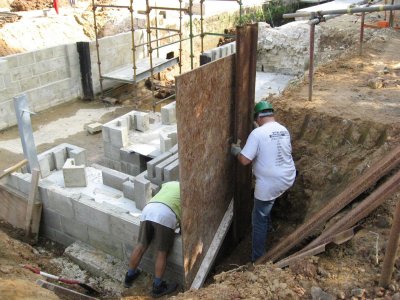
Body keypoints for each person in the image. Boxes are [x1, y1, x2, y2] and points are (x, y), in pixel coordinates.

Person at [231, 100, 296, 262]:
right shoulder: (283, 129)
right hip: (288, 177)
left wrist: (236, 151)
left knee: (258, 218)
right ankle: (270, 226)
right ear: (271, 115)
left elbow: (245, 160)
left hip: (270, 183)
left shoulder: (257, 134)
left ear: (258, 118)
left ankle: (257, 259)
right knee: (269, 201)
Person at [124, 181, 180, 298]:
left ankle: (129, 276)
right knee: (162, 252)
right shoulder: (187, 190)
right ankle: (158, 286)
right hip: (165, 215)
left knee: (141, 245)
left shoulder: (169, 184)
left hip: (148, 209)